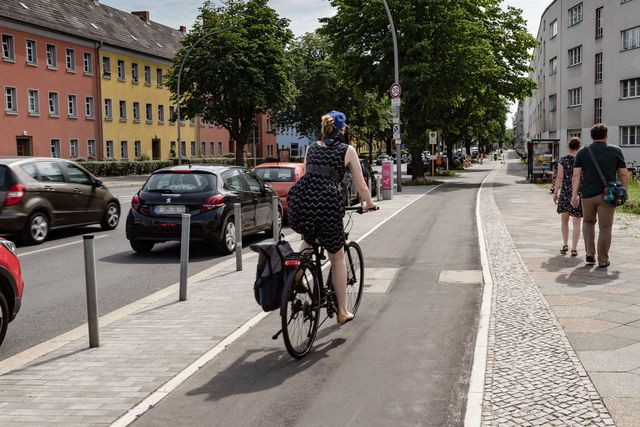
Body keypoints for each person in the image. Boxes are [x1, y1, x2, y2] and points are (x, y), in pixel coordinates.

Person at [287, 111, 377, 324]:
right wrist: (370, 203)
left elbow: (307, 174)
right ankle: (343, 311)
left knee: (308, 240)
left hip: (303, 202)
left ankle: (297, 274)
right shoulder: (347, 150)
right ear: (342, 129)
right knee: (337, 257)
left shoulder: (311, 147)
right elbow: (361, 185)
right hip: (327, 206)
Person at [571, 124, 629, 268]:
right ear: (606, 135)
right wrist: (624, 191)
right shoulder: (616, 150)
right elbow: (623, 173)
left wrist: (574, 194)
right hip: (607, 196)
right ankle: (603, 259)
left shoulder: (583, 152)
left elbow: (576, 175)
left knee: (588, 223)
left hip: (587, 195)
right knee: (605, 227)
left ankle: (590, 254)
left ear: (591, 136)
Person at [553, 137, 583, 257]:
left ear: (568, 147)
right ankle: (574, 248)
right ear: (579, 146)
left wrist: (555, 192)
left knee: (564, 220)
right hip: (578, 194)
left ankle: (565, 244)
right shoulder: (582, 160)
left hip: (565, 193)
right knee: (577, 223)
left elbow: (559, 177)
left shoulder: (563, 160)